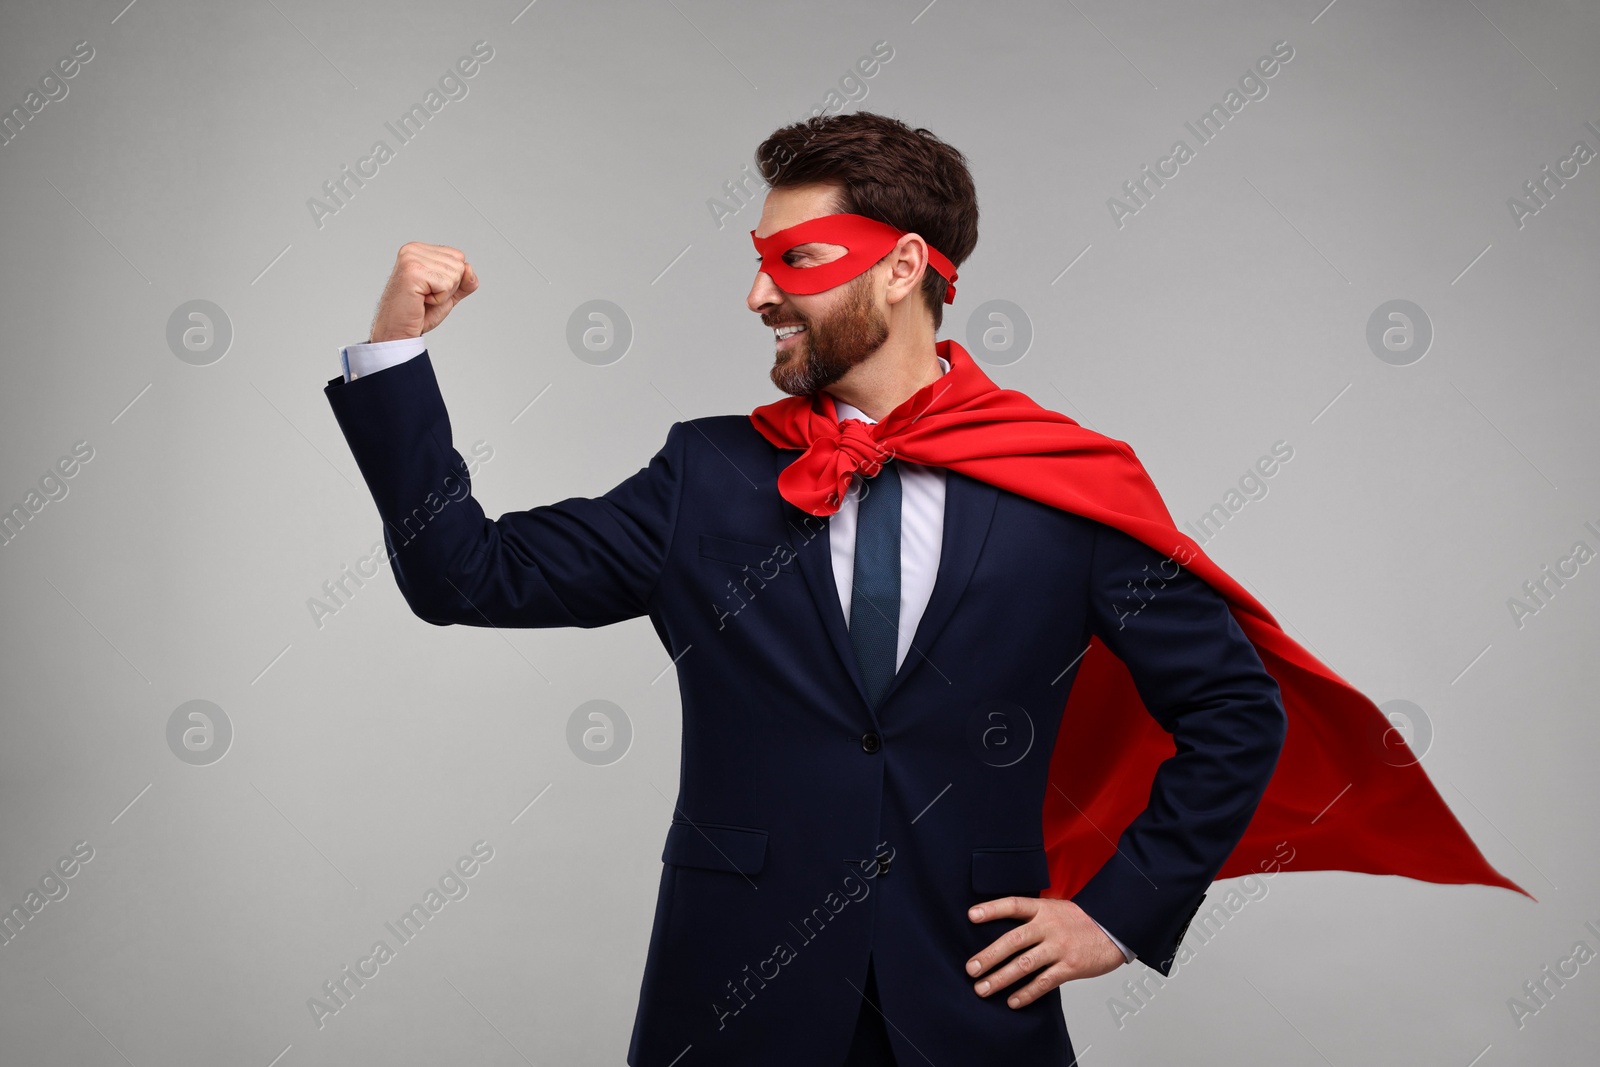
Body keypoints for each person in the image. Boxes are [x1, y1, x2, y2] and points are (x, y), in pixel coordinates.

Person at [324, 112, 1288, 1065]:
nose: (757, 294)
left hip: (973, 1002)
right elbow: (464, 574)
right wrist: (393, 354)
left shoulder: (1064, 485)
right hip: (735, 1000)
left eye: (797, 259)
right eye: (758, 259)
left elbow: (1236, 707)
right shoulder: (705, 472)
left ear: (904, 267)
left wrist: (1117, 916)